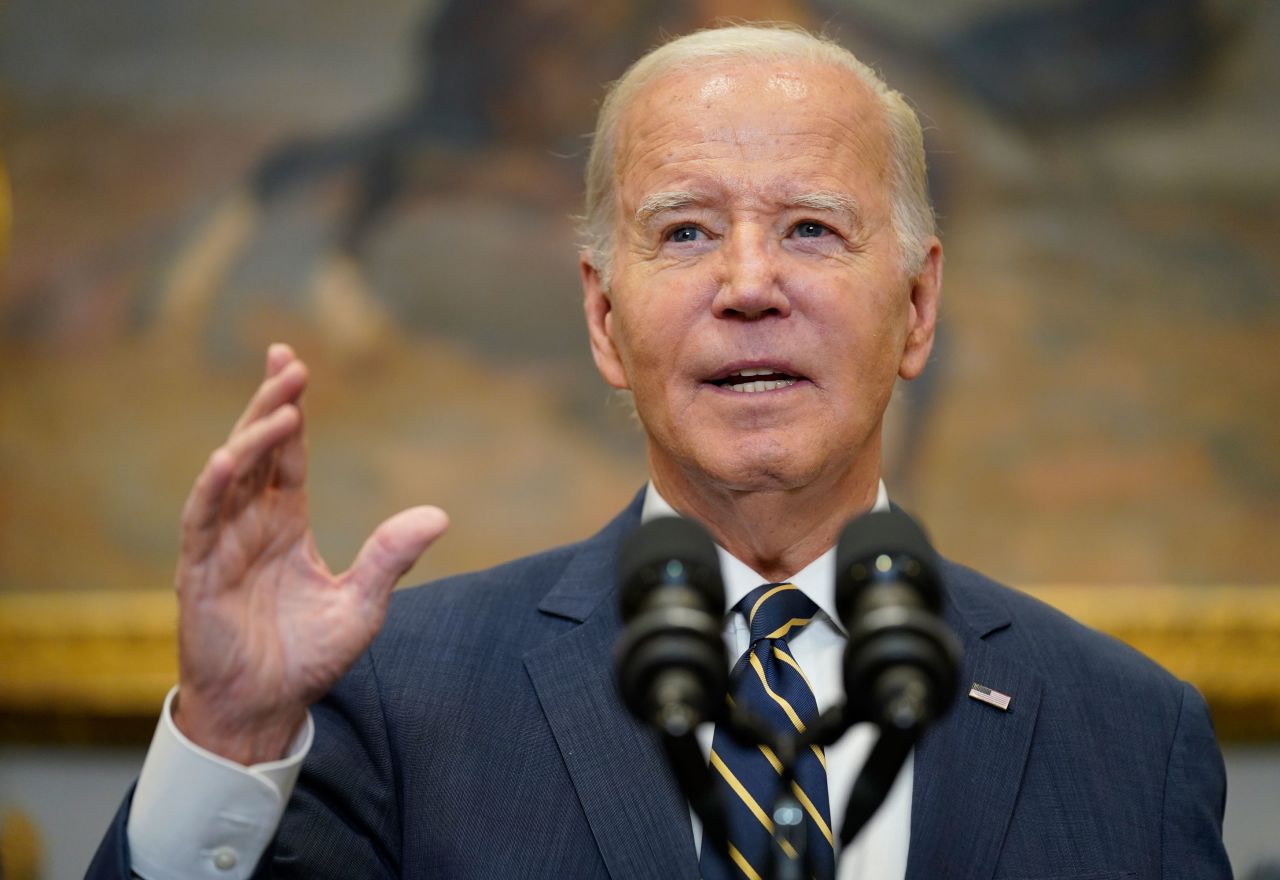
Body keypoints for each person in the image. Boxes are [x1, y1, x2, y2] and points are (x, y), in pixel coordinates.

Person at [88, 23, 1231, 880]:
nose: (745, 285)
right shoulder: (400, 702)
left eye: (810, 230)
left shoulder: (1126, 732)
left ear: (918, 308)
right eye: (682, 231)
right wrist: (229, 737)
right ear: (601, 318)